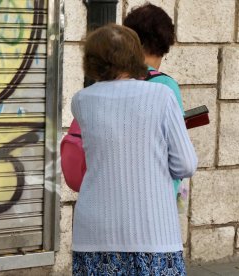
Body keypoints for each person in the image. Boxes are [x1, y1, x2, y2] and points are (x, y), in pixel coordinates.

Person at [71, 24, 197, 275]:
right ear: (134, 55)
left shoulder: (82, 100)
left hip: (95, 233)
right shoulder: (162, 96)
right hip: (153, 232)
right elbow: (186, 164)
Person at [124, 3, 185, 202]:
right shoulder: (166, 86)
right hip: (154, 194)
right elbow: (178, 153)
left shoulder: (111, 80)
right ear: (165, 42)